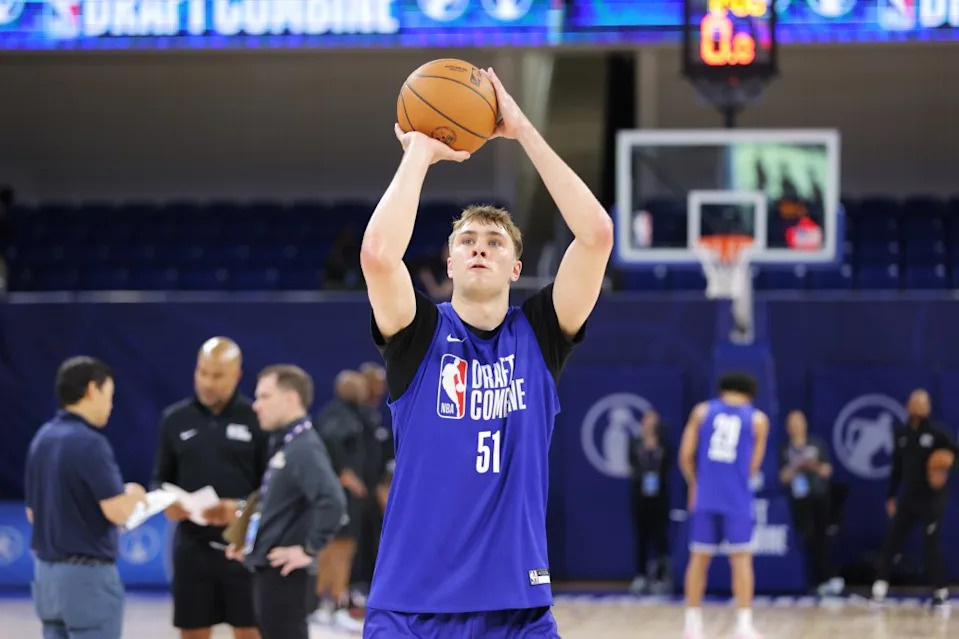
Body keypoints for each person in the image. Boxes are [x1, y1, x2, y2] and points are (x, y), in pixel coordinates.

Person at [359, 66, 613, 637]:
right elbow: (377, 256)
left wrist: (522, 129)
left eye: (494, 242)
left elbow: (596, 234)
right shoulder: (417, 335)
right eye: (466, 241)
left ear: (515, 268)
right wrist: (419, 154)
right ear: (448, 264)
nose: (480, 248)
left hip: (517, 606)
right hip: (411, 605)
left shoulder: (541, 335)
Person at [151, 337, 269, 639]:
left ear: (237, 375)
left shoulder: (257, 418)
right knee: (192, 631)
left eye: (217, 375)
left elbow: (271, 487)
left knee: (248, 631)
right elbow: (160, 479)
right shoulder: (175, 419)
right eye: (202, 372)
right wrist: (167, 503)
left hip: (243, 547)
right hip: (192, 548)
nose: (207, 382)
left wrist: (238, 509)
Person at [25, 356, 147, 639]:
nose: (111, 405)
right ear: (92, 389)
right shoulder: (90, 443)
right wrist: (134, 494)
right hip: (86, 581)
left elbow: (33, 512)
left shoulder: (41, 439)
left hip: (46, 578)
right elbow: (116, 512)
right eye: (109, 396)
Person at [226, 364, 346, 639]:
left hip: (285, 577)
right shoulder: (286, 444)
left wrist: (308, 549)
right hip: (271, 572)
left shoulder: (303, 448)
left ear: (291, 399)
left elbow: (333, 501)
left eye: (265, 397)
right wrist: (249, 543)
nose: (256, 406)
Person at [678, 373, 770, 639]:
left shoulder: (702, 411)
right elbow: (754, 466)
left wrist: (696, 483)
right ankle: (743, 625)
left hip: (705, 495)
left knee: (698, 559)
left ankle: (692, 625)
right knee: (741, 560)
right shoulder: (758, 419)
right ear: (750, 394)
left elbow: (685, 456)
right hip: (737, 497)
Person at [871, 389, 959, 611]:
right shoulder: (901, 434)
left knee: (931, 545)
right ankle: (879, 588)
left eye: (923, 403)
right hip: (908, 498)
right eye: (915, 403)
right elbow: (897, 468)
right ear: (908, 405)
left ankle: (939, 592)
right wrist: (891, 494)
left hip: (932, 499)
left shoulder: (939, 433)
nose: (918, 407)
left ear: (928, 407)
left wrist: (946, 469)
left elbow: (954, 455)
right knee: (892, 541)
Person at [311, 370, 369, 633]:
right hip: (340, 496)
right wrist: (345, 474)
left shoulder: (355, 414)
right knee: (337, 548)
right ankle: (329, 605)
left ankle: (331, 605)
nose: (362, 391)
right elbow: (329, 442)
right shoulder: (338, 415)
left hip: (348, 497)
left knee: (343, 548)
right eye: (356, 387)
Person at [778, 410, 843, 597]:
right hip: (799, 499)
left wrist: (812, 465)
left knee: (823, 537)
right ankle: (809, 579)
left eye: (800, 422)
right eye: (793, 424)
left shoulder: (816, 445)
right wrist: (796, 466)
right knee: (807, 536)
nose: (797, 427)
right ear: (788, 428)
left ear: (805, 425)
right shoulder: (784, 449)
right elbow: (782, 477)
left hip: (819, 495)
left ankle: (825, 578)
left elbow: (827, 470)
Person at [627, 410, 672, 595]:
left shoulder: (664, 444)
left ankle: (661, 576)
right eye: (647, 420)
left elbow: (668, 465)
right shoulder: (635, 443)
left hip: (659, 496)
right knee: (641, 535)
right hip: (640, 495)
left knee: (660, 535)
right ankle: (641, 575)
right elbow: (631, 464)